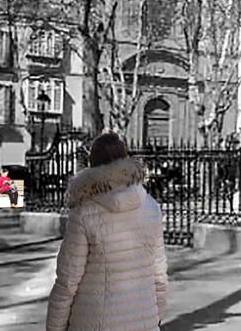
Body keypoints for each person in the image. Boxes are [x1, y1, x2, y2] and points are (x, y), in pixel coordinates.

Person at [46, 132, 167, 331]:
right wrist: (156, 317)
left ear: (92, 163)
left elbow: (68, 281)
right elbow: (159, 274)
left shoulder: (85, 213)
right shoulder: (150, 206)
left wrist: (54, 327)